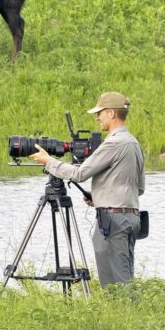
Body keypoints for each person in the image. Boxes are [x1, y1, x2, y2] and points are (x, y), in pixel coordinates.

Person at [28, 92, 145, 286]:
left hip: (113, 222)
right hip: (130, 218)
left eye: (99, 112)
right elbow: (138, 188)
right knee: (123, 279)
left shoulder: (114, 143)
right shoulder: (134, 143)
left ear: (111, 113)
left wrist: (48, 161)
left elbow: (80, 174)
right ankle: (123, 314)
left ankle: (127, 315)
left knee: (118, 286)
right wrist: (99, 196)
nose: (96, 117)